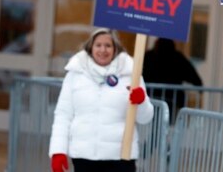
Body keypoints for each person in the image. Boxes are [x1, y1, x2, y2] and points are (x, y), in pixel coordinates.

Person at [49, 28, 154, 172]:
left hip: (120, 158)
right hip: (84, 157)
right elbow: (63, 115)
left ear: (115, 49)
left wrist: (141, 101)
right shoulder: (75, 74)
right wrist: (58, 150)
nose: (103, 50)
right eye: (98, 45)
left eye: (108, 45)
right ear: (90, 48)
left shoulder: (131, 75)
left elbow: (145, 118)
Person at [142, 37, 203, 116]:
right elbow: (193, 76)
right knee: (168, 125)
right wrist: (199, 86)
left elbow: (140, 74)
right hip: (173, 100)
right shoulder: (178, 58)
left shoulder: (148, 56)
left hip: (151, 98)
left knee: (151, 124)